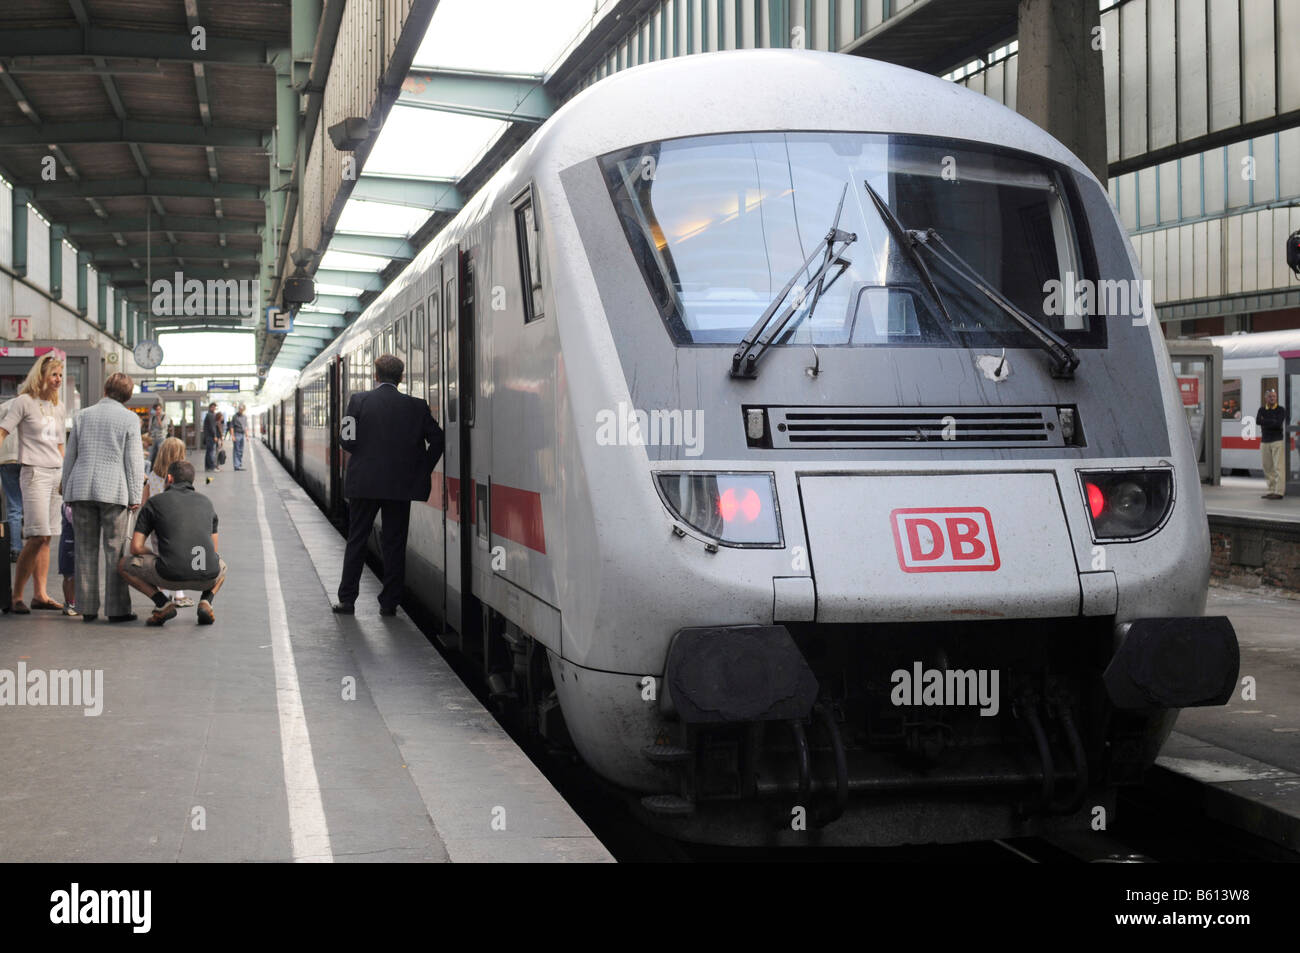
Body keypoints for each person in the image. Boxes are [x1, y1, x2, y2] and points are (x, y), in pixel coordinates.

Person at [333, 354, 443, 616]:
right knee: (394, 543)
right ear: (401, 377)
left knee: (357, 540)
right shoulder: (417, 406)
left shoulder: (358, 401)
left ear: (376, 375)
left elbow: (346, 441)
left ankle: (347, 600)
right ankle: (389, 602)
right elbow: (438, 439)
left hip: (364, 484)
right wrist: (420, 469)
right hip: (400, 486)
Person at [61, 372, 144, 623]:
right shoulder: (129, 418)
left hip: (81, 488)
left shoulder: (83, 415)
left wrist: (67, 490)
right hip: (114, 491)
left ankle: (87, 608)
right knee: (115, 551)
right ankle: (117, 610)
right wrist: (135, 494)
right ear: (128, 396)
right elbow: (134, 460)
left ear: (106, 389)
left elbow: (70, 456)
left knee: (84, 549)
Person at [118, 460, 226, 626]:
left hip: (168, 576)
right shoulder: (207, 503)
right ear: (192, 481)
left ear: (169, 478)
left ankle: (162, 603)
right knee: (222, 566)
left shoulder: (155, 503)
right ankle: (206, 601)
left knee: (124, 565)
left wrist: (155, 556)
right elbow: (213, 550)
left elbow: (136, 547)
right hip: (206, 576)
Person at [0, 354, 68, 612]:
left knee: (48, 536)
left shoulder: (59, 406)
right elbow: (3, 431)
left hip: (55, 474)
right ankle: (17, 595)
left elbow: (61, 445)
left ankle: (40, 595)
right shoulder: (24, 402)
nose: (58, 380)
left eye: (60, 375)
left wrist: (66, 475)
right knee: (36, 535)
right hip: (34, 473)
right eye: (54, 374)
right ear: (40, 376)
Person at [143, 437, 194, 607]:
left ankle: (164, 592)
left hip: (157, 526)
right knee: (178, 558)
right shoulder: (183, 479)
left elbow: (145, 502)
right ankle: (178, 593)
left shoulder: (153, 475)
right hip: (177, 525)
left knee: (160, 558)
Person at [0, 402, 22, 562]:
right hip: (26, 456)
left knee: (14, 505)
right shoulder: (33, 405)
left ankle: (16, 548)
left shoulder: (4, 407)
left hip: (6, 458)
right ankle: (31, 546)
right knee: (30, 502)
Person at [1258, 388, 1287, 500]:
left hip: (1277, 441)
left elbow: (1278, 423)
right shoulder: (1261, 409)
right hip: (1265, 441)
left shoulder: (1280, 409)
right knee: (1267, 467)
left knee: (1278, 467)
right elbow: (1257, 421)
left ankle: (1279, 492)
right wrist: (1272, 421)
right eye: (1270, 396)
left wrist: (1266, 421)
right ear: (1266, 398)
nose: (1272, 398)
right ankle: (1271, 490)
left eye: (1274, 396)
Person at [57, 503, 78, 616]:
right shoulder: (68, 505)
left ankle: (74, 602)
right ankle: (69, 603)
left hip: (74, 542)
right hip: (69, 543)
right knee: (69, 575)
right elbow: (74, 520)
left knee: (74, 575)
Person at [228, 404, 248, 471]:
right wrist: (233, 436)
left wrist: (247, 436)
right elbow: (231, 427)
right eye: (240, 409)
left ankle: (239, 464)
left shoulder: (245, 417)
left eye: (242, 409)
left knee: (241, 450)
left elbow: (245, 427)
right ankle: (236, 466)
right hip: (236, 434)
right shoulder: (235, 416)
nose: (241, 410)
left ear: (244, 410)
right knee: (236, 450)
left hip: (242, 434)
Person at [203, 402, 222, 472]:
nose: (214, 409)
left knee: (208, 452)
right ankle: (212, 467)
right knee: (211, 452)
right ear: (210, 407)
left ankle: (207, 467)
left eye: (215, 407)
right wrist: (215, 436)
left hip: (208, 437)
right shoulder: (211, 415)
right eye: (213, 407)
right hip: (210, 437)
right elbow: (212, 427)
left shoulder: (209, 415)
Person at [147, 403, 166, 469]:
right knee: (150, 455)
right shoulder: (152, 417)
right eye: (156, 410)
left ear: (161, 409)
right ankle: (148, 471)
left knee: (160, 455)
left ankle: (158, 470)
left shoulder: (164, 416)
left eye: (158, 409)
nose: (157, 411)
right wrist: (148, 439)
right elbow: (150, 428)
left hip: (161, 438)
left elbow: (162, 427)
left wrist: (158, 417)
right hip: (152, 438)